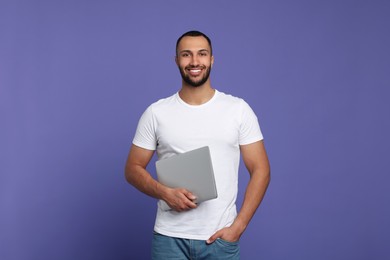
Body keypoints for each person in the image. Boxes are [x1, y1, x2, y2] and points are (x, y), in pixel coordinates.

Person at [125, 30, 270, 260]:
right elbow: (132, 169)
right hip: (168, 239)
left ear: (211, 59)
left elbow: (261, 170)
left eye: (202, 54)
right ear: (176, 61)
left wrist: (239, 226)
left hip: (220, 239)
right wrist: (164, 193)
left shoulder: (238, 110)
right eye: (186, 55)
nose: (194, 61)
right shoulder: (156, 113)